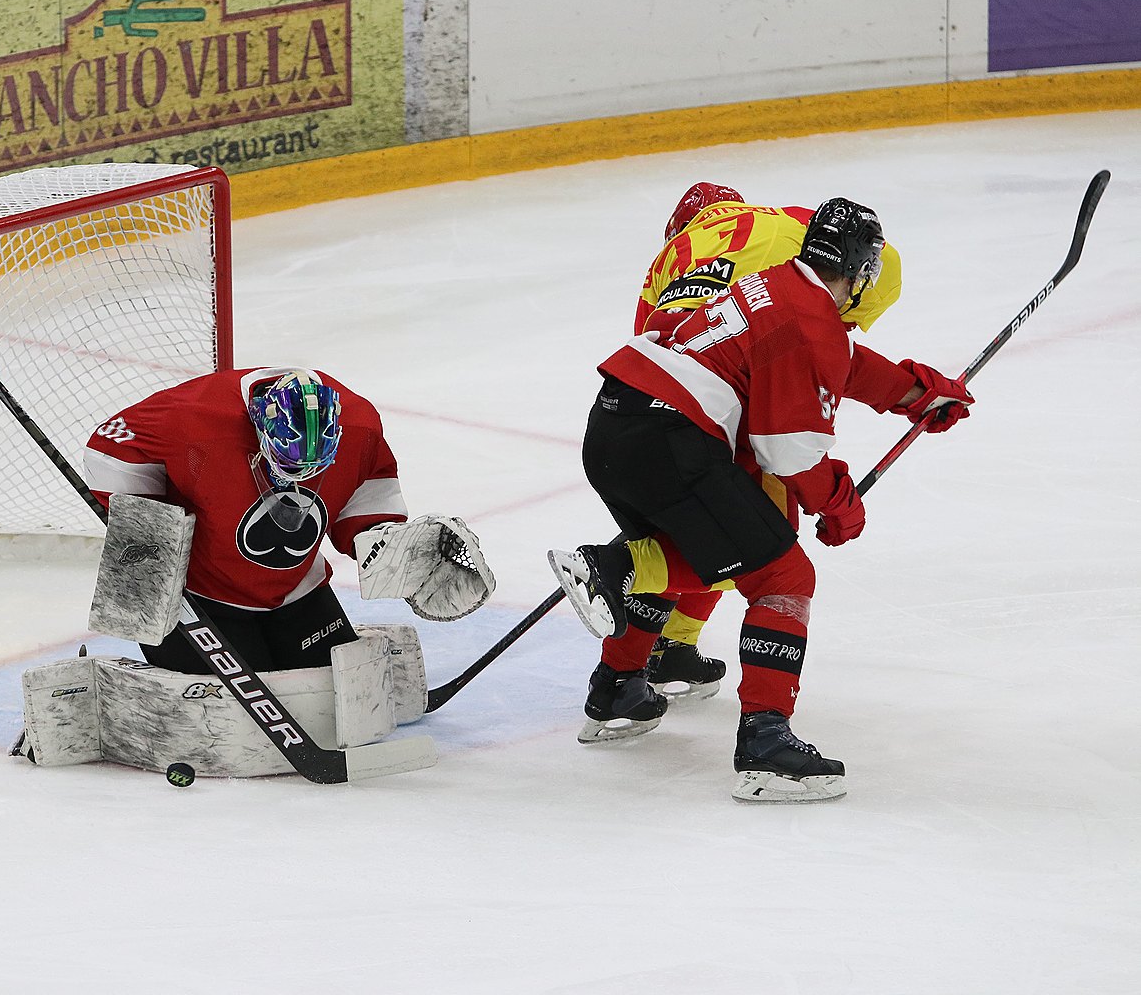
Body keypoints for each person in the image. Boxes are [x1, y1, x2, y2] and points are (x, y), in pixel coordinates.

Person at [549, 198, 974, 802]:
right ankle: (765, 744)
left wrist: (917, 393)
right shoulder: (811, 319)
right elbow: (788, 452)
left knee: (686, 551)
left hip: (615, 426)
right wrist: (836, 503)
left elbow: (843, 362)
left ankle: (618, 687)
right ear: (860, 267)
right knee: (784, 575)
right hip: (673, 440)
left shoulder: (772, 283)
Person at [83, 366, 494, 676]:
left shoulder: (359, 424)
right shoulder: (192, 418)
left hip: (297, 589)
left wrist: (385, 542)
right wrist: (151, 528)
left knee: (329, 689)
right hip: (198, 596)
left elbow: (367, 484)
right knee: (243, 704)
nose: (297, 479)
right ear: (260, 427)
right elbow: (107, 447)